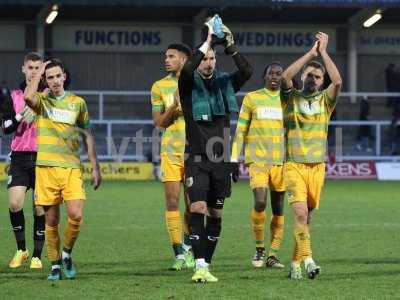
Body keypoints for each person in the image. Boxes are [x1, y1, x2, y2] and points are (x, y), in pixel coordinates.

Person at [178, 21, 252, 283]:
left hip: (221, 162)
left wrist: (230, 46)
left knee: (216, 215)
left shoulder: (225, 84)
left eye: (212, 58)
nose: (208, 62)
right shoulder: (187, 86)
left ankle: (206, 263)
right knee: (197, 208)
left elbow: (247, 70)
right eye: (204, 58)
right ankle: (198, 265)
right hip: (196, 159)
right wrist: (208, 40)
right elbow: (186, 68)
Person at [24, 58, 102, 280]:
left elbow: (87, 134)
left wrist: (95, 166)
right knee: (51, 221)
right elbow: (28, 97)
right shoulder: (41, 101)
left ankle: (66, 253)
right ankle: (55, 265)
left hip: (70, 168)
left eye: (58, 76)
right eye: (50, 77)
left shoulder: (78, 102)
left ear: (64, 76)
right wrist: (39, 72)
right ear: (45, 80)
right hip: (46, 168)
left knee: (76, 215)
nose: (55, 80)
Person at [280, 32, 342, 280]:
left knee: (307, 219)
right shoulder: (290, 98)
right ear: (302, 77)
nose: (313, 79)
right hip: (294, 165)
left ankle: (295, 262)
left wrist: (324, 53)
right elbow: (285, 76)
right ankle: (308, 260)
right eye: (309, 75)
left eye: (317, 76)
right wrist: (311, 54)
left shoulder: (326, 101)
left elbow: (337, 82)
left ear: (321, 80)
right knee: (300, 215)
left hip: (317, 168)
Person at [231, 63, 285, 269]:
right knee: (261, 203)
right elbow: (241, 130)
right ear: (264, 76)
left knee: (279, 209)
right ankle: (260, 247)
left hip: (281, 161)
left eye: (279, 74)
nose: (274, 76)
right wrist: (234, 159)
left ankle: (273, 254)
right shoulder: (252, 98)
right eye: (271, 73)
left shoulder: (287, 100)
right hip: (258, 160)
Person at [151, 43, 195, 270]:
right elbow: (159, 123)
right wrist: (174, 107)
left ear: (184, 59)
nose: (166, 59)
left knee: (192, 204)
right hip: (170, 151)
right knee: (171, 201)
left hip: (194, 151)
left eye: (171, 56)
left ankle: (188, 248)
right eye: (165, 56)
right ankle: (178, 252)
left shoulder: (197, 82)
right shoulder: (159, 86)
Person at [0, 52, 46, 269]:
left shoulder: (47, 95)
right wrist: (20, 115)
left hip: (42, 157)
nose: (33, 71)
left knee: (39, 208)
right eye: (30, 68)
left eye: (37, 68)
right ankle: (22, 250)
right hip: (18, 158)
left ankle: (37, 255)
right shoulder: (14, 96)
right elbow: (6, 128)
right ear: (23, 69)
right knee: (15, 203)